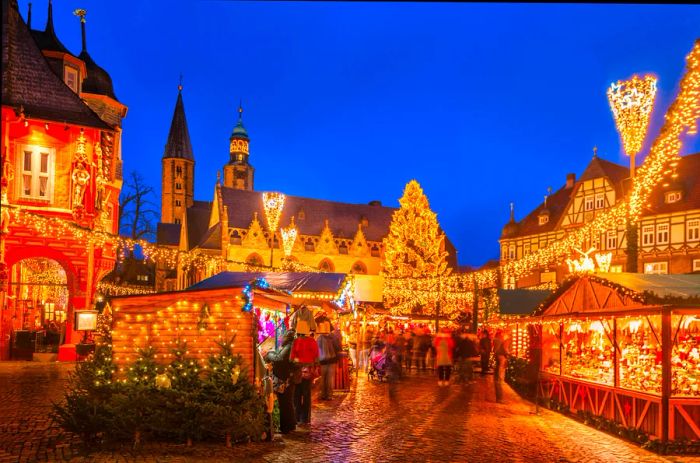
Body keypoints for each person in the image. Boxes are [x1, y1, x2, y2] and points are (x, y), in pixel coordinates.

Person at [265, 330, 297, 434]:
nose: (281, 338)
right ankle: (291, 425)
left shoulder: (288, 346)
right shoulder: (289, 346)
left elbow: (279, 358)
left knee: (285, 403)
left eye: (283, 336)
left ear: (287, 337)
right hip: (286, 377)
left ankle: (285, 428)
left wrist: (269, 353)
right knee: (287, 402)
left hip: (283, 378)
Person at [290, 323, 319, 426]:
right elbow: (316, 356)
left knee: (296, 395)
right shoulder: (312, 341)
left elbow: (291, 357)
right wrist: (314, 366)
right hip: (308, 371)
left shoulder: (296, 342)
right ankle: (305, 418)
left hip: (297, 371)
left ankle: (297, 417)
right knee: (306, 395)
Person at [315, 316, 340, 401]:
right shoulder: (333, 336)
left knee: (323, 378)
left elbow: (316, 350)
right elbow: (338, 347)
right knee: (329, 379)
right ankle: (329, 395)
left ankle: (323, 394)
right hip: (331, 360)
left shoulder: (319, 338)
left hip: (323, 361)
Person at [493, 329, 511, 403]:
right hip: (501, 364)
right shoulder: (502, 351)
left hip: (499, 363)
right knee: (499, 381)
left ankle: (499, 398)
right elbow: (502, 362)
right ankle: (500, 399)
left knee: (498, 381)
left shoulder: (499, 348)